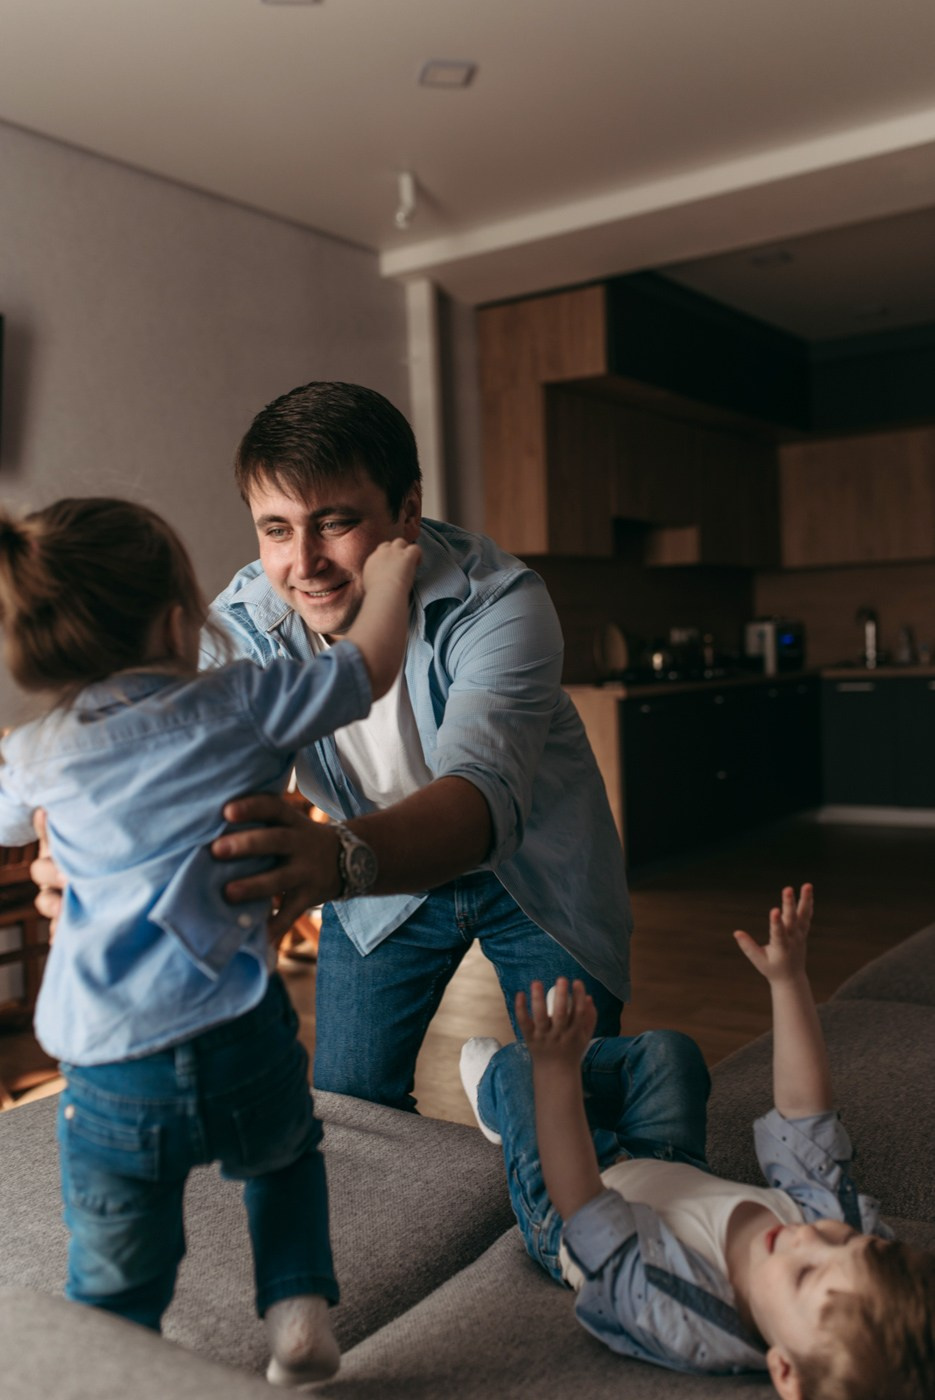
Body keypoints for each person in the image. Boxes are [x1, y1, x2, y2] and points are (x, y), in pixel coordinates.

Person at [0, 496, 420, 1387]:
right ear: (172, 623)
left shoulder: (40, 751)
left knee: (116, 1260)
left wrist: (34, 795)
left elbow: (6, 820)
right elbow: (367, 668)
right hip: (239, 1031)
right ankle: (297, 1318)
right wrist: (388, 575)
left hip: (113, 1068)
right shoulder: (242, 699)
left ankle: (119, 1356)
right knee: (285, 1161)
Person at [185, 379, 632, 1111]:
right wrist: (81, 853)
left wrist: (332, 859)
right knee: (352, 1109)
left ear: (408, 510)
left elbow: (482, 800)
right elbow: (170, 759)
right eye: (276, 530)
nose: (304, 563)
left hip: (533, 869)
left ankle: (518, 1106)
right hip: (371, 875)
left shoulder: (500, 602)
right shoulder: (240, 627)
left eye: (333, 523)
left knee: (573, 1106)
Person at [459, 886, 935, 1398]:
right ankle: (568, 1066)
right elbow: (807, 1118)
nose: (811, 1238)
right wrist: (789, 981)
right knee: (671, 1053)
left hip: (569, 1203)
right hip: (670, 1164)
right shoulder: (839, 1237)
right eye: (848, 1242)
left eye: (804, 1275)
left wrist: (555, 1073)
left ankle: (503, 1095)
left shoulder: (678, 1313)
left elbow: (584, 1204)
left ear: (785, 1372)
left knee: (522, 1068)